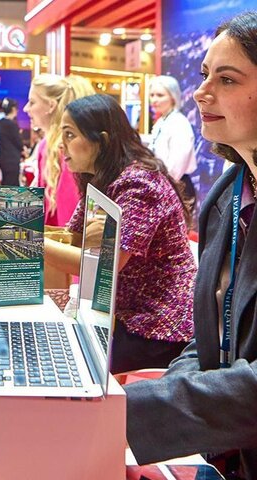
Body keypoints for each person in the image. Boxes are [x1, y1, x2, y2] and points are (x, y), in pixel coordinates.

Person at [125, 12, 257, 478]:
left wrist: (129, 410)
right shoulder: (226, 195)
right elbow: (211, 341)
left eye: (227, 79)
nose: (202, 92)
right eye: (204, 75)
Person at [43, 94, 196, 374]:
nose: (60, 144)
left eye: (70, 134)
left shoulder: (139, 185)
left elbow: (103, 267)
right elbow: (72, 238)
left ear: (101, 141)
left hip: (159, 324)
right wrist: (14, 227)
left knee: (65, 360)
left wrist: (23, 239)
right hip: (125, 313)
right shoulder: (103, 178)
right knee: (52, 339)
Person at [24, 74, 95, 226]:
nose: (26, 108)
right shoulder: (47, 145)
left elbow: (69, 219)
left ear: (51, 106)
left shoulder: (63, 149)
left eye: (32, 102)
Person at [148, 75, 198, 213]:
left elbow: (176, 167)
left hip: (177, 186)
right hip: (163, 184)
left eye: (160, 95)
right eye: (152, 95)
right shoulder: (161, 121)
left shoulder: (179, 123)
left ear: (173, 97)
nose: (154, 99)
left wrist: (161, 187)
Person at [0, 97, 23, 186]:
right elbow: (18, 143)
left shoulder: (0, 123)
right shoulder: (12, 125)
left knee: (5, 185)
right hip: (12, 160)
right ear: (13, 109)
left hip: (3, 159)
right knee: (13, 187)